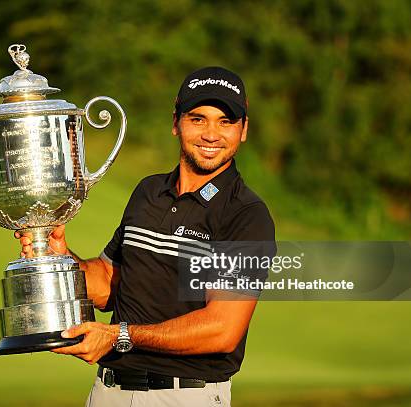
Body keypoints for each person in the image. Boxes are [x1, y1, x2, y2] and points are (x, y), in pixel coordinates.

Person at [16, 66, 275, 406]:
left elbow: (221, 329)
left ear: (243, 130)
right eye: (198, 119)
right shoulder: (148, 192)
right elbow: (110, 283)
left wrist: (119, 336)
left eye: (225, 121)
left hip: (184, 396)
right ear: (176, 122)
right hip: (108, 392)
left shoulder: (245, 214)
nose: (211, 134)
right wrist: (59, 257)